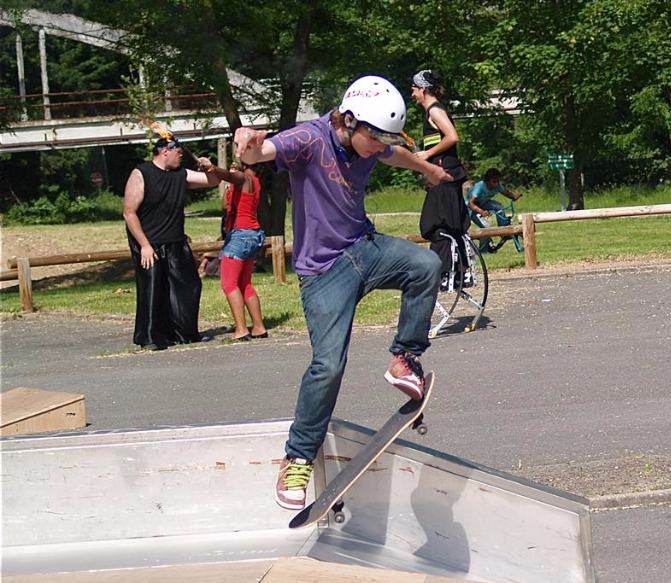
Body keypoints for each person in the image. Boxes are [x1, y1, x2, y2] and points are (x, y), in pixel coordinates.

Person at [233, 74, 450, 511]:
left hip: (364, 247)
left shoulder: (370, 138)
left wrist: (426, 168)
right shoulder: (309, 139)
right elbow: (265, 152)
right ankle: (298, 456)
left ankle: (404, 358)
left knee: (426, 265)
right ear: (349, 121)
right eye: (375, 138)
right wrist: (249, 146)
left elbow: (394, 154)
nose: (378, 147)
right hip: (323, 271)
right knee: (328, 365)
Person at [123, 133, 225, 351]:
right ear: (165, 152)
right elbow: (129, 213)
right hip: (148, 242)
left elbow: (213, 181)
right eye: (178, 153)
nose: (180, 157)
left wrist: (209, 167)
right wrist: (144, 246)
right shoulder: (141, 173)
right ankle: (150, 337)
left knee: (189, 285)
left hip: (175, 240)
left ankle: (183, 333)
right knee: (153, 288)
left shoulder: (181, 174)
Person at [411, 69, 470, 290]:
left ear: (423, 89)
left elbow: (452, 136)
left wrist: (427, 154)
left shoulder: (435, 110)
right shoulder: (432, 111)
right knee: (447, 224)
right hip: (443, 176)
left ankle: (446, 272)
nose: (412, 93)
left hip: (446, 176)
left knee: (437, 224)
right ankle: (458, 271)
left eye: (414, 89)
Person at [219, 162, 268, 340]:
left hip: (239, 235)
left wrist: (214, 169)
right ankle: (259, 327)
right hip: (252, 234)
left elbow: (229, 176)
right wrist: (230, 182)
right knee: (244, 283)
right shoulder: (253, 181)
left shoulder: (245, 178)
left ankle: (241, 329)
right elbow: (225, 205)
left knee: (229, 283)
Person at [466, 168, 523, 252]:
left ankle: (503, 230)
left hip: (483, 203)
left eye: (498, 181)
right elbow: (470, 203)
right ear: (487, 181)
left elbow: (506, 192)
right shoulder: (480, 187)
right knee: (486, 227)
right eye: (494, 181)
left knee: (498, 206)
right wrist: (481, 212)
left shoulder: (498, 186)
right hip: (470, 208)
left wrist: (514, 196)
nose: (496, 184)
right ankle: (483, 250)